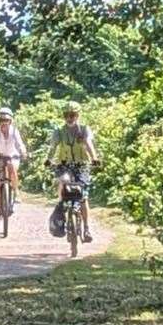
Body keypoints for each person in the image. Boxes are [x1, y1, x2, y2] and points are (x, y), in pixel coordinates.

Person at [46, 103, 100, 242]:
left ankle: (86, 228)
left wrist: (94, 158)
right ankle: (61, 202)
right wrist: (48, 159)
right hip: (65, 164)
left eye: (72, 115)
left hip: (82, 165)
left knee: (83, 197)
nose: (69, 118)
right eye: (66, 115)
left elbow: (89, 144)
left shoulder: (84, 129)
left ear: (77, 115)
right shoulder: (59, 131)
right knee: (63, 181)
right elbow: (53, 147)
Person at [0, 106, 28, 226]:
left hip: (12, 157)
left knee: (11, 166)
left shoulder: (14, 131)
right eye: (1, 120)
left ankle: (16, 191)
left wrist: (23, 152)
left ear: (10, 121)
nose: (4, 123)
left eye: (6, 120)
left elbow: (20, 145)